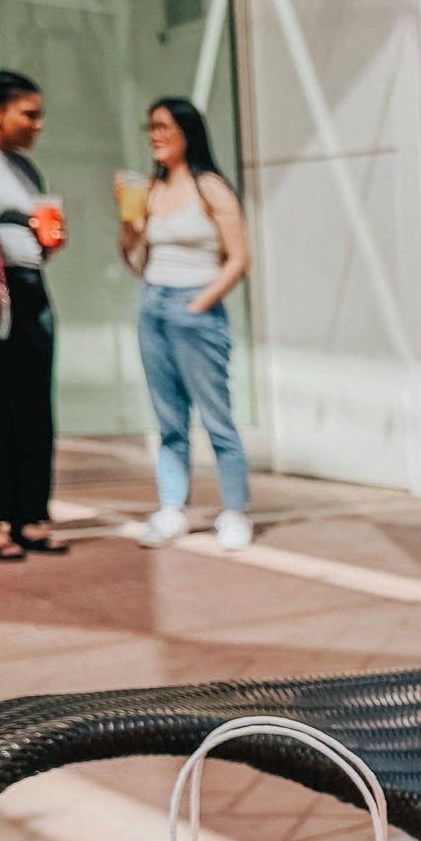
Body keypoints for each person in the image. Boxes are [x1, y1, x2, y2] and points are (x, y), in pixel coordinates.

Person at [118, 97, 251, 550]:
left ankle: (235, 511)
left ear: (186, 132)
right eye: (150, 127)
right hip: (153, 303)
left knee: (217, 418)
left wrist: (200, 303)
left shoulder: (210, 187)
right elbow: (134, 258)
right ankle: (171, 509)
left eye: (163, 126)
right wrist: (128, 221)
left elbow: (238, 259)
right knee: (169, 419)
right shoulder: (149, 191)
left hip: (196, 305)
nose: (154, 135)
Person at [0, 70, 68, 561]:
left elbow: (37, 246)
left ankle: (31, 514)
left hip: (31, 287)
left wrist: (48, 243)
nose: (38, 125)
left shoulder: (25, 170)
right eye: (29, 114)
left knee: (34, 407)